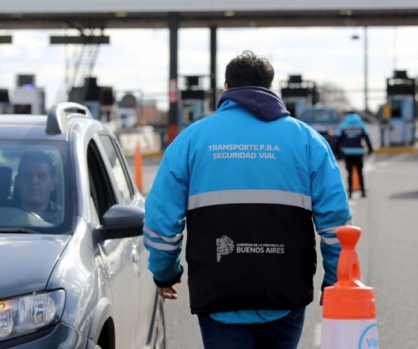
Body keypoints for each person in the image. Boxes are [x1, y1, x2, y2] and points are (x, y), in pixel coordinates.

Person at [143, 50, 351, 349]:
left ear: (226, 89)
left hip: (218, 292)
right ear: (270, 87)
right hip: (285, 292)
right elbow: (336, 222)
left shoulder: (191, 139)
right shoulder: (307, 140)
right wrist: (335, 283)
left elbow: (161, 218)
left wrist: (165, 272)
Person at [332, 111, 374, 198]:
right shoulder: (361, 125)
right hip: (359, 152)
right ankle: (363, 192)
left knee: (350, 173)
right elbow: (367, 138)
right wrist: (370, 149)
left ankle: (350, 192)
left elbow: (337, 139)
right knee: (360, 172)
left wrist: (334, 151)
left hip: (347, 152)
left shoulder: (343, 125)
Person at [14, 151, 62, 222]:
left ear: (53, 184)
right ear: (17, 182)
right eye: (27, 175)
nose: (34, 181)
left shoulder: (64, 219)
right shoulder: (1, 217)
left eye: (41, 176)